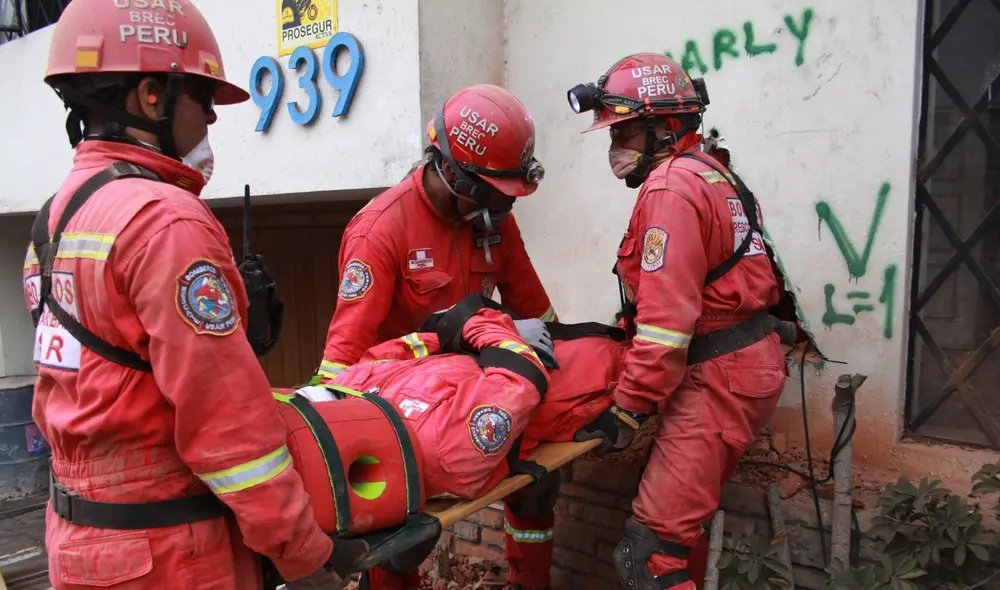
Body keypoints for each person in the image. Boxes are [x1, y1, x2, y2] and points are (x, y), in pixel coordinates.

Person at [25, 1, 365, 588]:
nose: (211, 121)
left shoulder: (54, 220)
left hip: (78, 540)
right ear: (152, 97)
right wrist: (302, 553)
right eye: (203, 101)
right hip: (168, 551)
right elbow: (229, 428)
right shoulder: (166, 222)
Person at [316, 85, 560, 590]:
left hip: (480, 394)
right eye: (494, 192)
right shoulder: (381, 232)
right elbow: (341, 361)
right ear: (452, 172)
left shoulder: (491, 222)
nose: (504, 206)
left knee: (538, 488)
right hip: (400, 419)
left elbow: (536, 308)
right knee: (399, 547)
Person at [567, 53, 793, 590]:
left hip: (717, 378)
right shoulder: (716, 173)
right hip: (743, 365)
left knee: (648, 555)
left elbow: (668, 325)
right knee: (678, 533)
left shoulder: (670, 189)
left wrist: (627, 409)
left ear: (663, 127)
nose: (614, 148)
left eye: (623, 132)